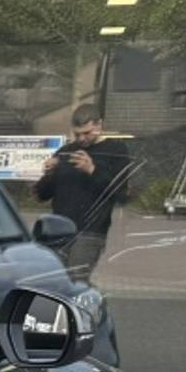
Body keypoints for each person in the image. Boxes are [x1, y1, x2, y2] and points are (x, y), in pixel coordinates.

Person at [36, 104, 134, 280]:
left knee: (75, 281)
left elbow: (120, 193)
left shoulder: (116, 150)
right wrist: (49, 174)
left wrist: (92, 170)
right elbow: (43, 195)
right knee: (54, 281)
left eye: (87, 133)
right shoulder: (65, 151)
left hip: (90, 231)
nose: (82, 139)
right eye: (77, 134)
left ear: (99, 125)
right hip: (59, 230)